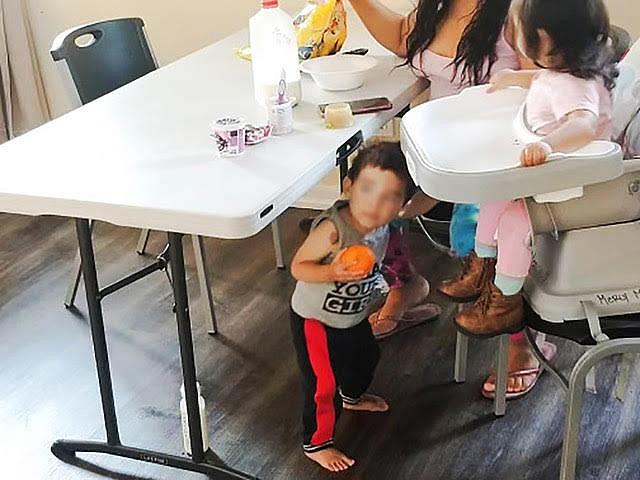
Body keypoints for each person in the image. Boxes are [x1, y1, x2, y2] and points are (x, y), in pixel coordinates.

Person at [348, 0, 557, 399]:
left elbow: (554, 80)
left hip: (498, 160)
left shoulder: (515, 13)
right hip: (437, 155)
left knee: (485, 236)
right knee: (370, 186)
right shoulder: (437, 8)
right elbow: (399, 36)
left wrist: (513, 81)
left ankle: (526, 343)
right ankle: (404, 287)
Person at [289, 142, 415, 471]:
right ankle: (316, 442)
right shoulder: (333, 231)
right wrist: (332, 271)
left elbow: (427, 198)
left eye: (391, 196)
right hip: (314, 319)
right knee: (322, 382)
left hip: (352, 315)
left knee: (365, 358)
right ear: (348, 188)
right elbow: (298, 267)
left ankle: (353, 397)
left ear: (402, 204)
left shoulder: (383, 225)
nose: (376, 204)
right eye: (368, 189)